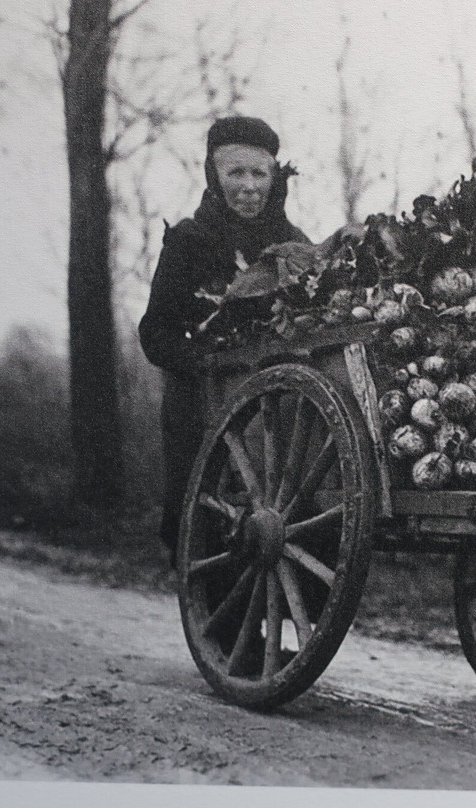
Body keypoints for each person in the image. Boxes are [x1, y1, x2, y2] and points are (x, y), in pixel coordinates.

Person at [139, 116, 310, 563]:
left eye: (260, 173)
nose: (250, 186)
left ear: (275, 179)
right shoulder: (189, 243)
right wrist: (208, 360)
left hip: (279, 419)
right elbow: (155, 332)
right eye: (236, 173)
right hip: (204, 405)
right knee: (209, 532)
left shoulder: (294, 247)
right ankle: (224, 620)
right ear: (214, 177)